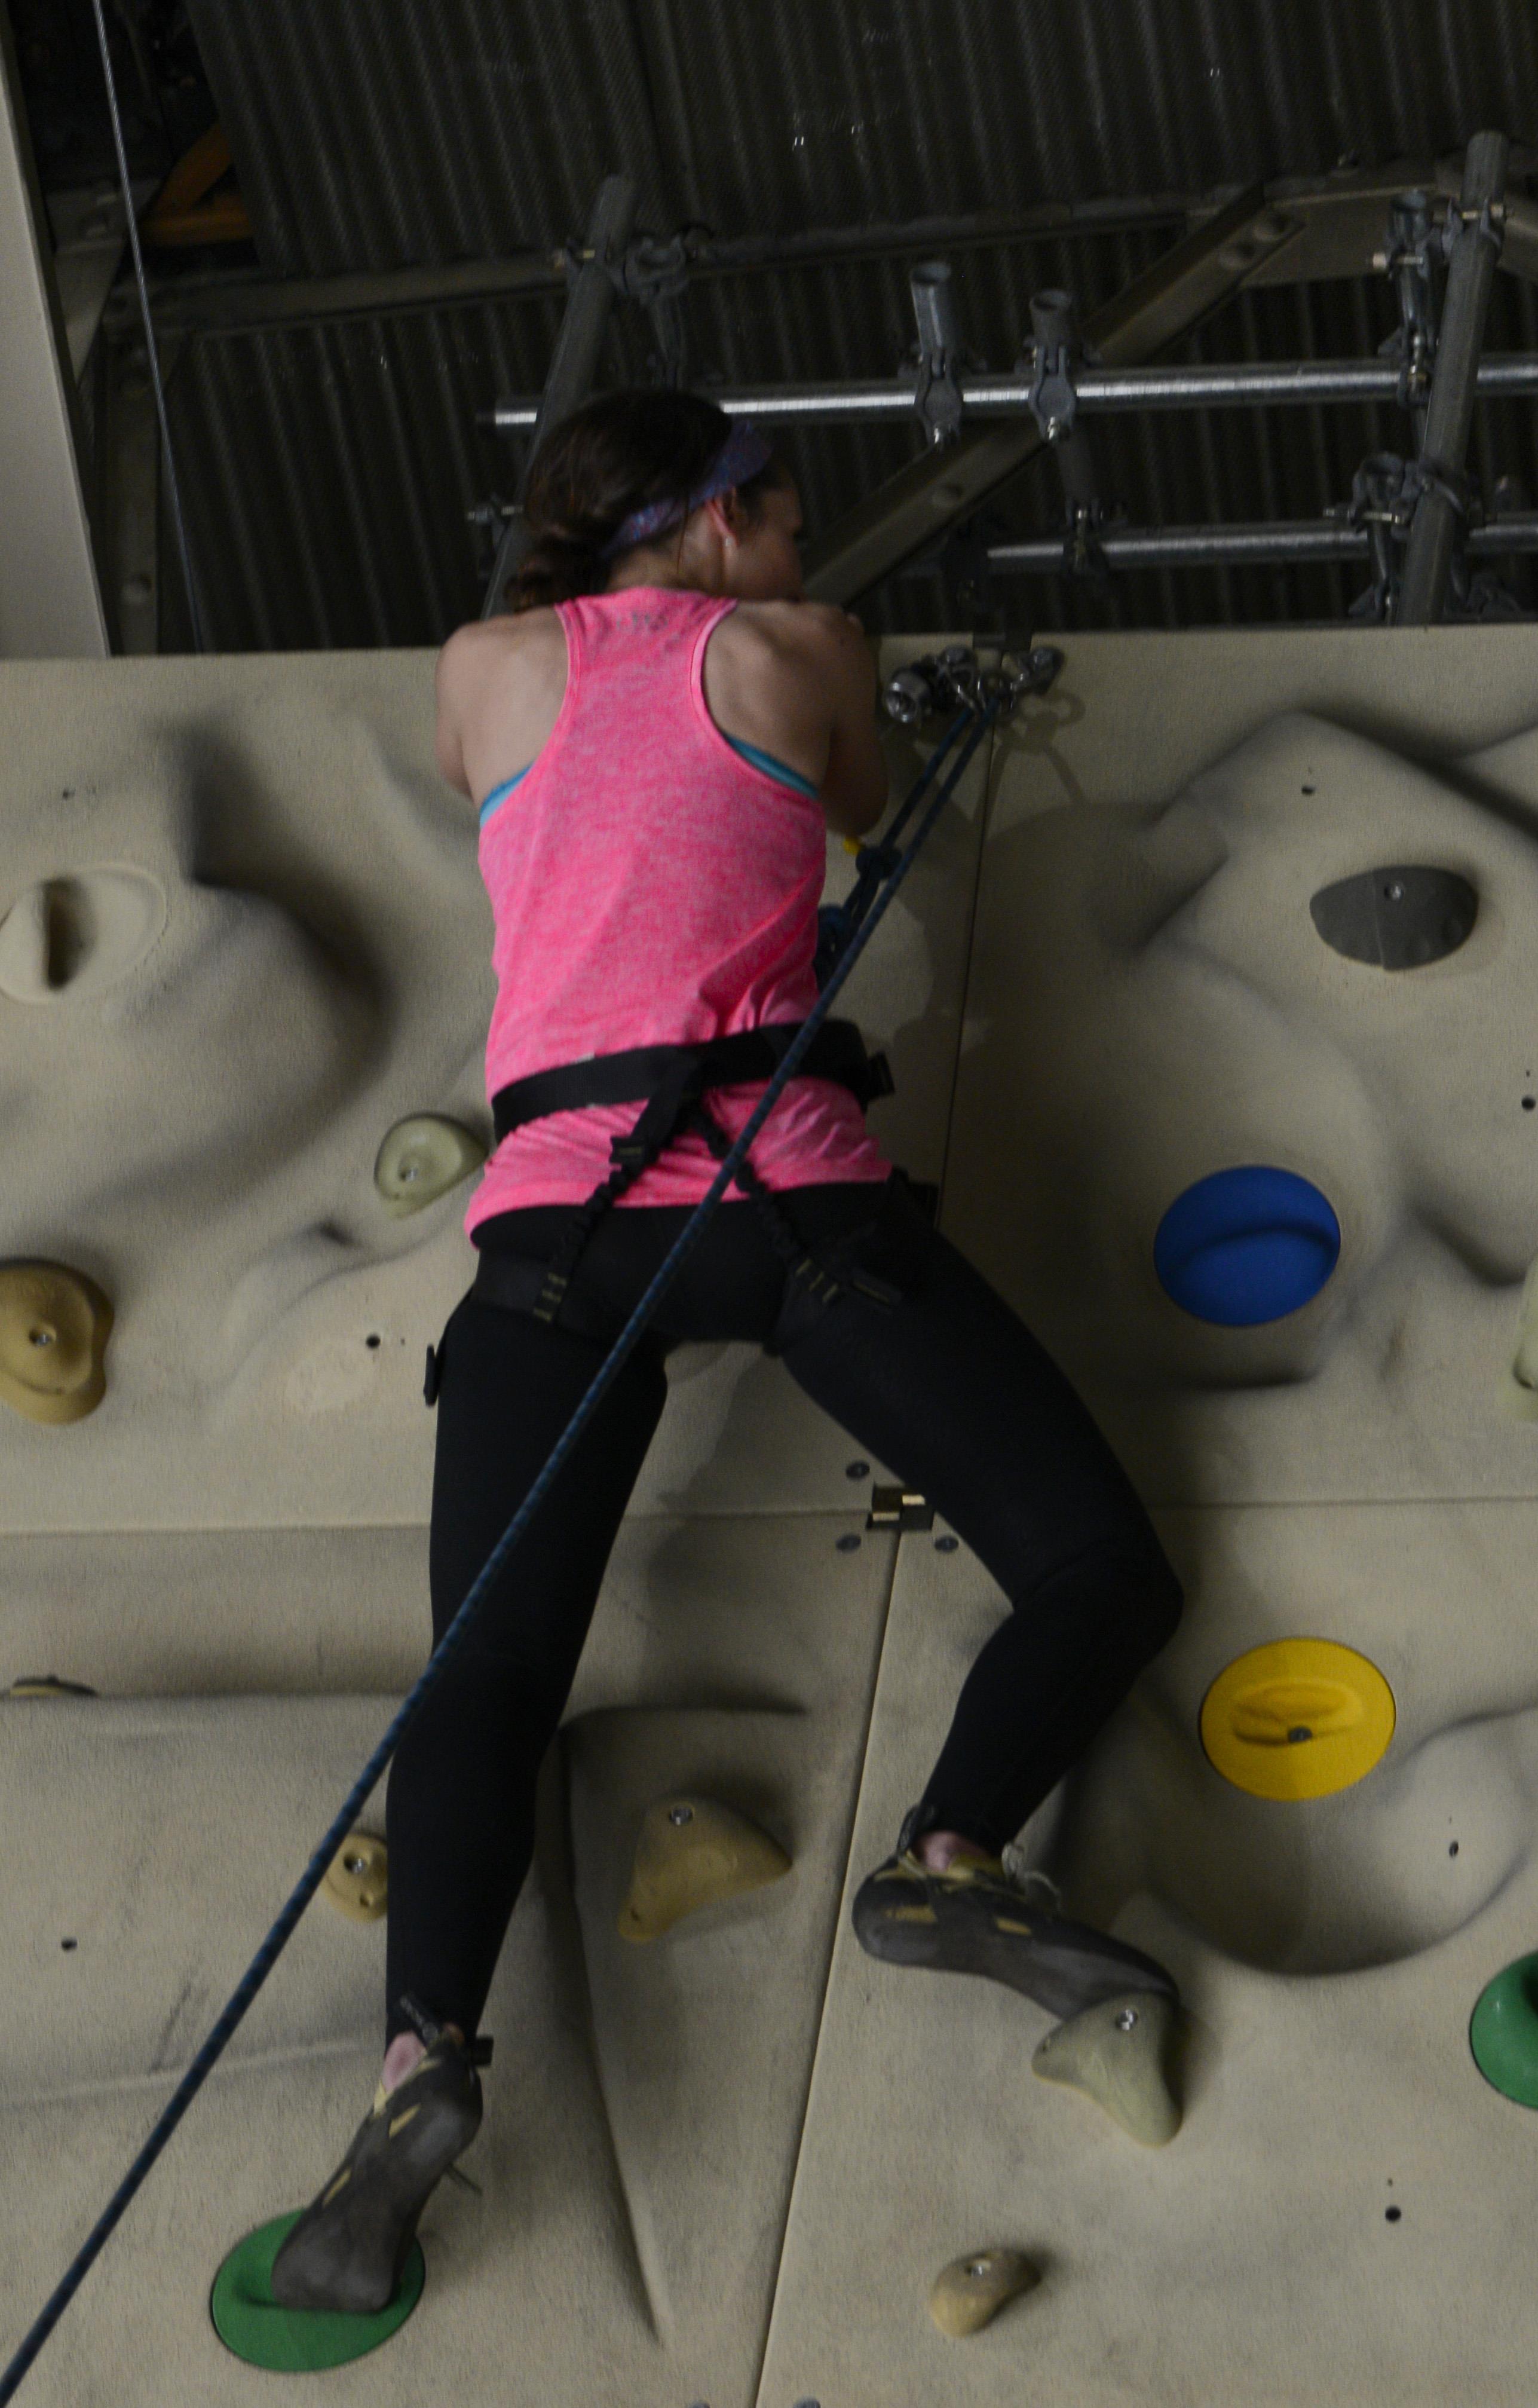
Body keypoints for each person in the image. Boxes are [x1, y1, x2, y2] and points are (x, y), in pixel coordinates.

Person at [269, 391, 1189, 2315]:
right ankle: (950, 1846)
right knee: (1100, 1564)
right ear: (715, 522)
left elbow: (544, 818)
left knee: (489, 1668)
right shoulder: (803, 653)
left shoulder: (482, 672)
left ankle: (422, 2053)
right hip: (785, 1205)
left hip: (546, 1242)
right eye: (784, 519)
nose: (803, 553)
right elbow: (853, 808)